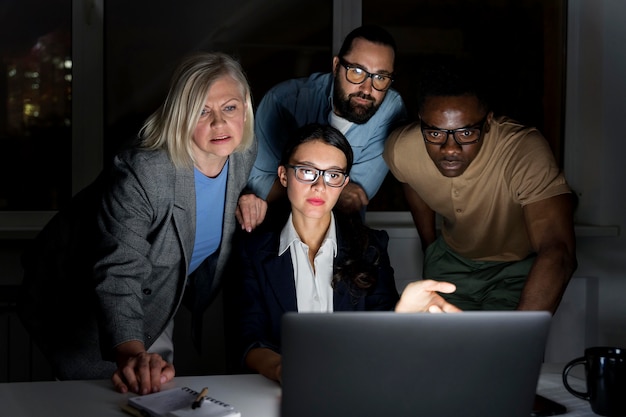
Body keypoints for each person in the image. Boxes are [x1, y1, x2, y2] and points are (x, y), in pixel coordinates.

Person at [18, 52, 263, 395]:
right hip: (85, 300)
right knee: (91, 399)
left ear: (246, 107)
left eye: (230, 108)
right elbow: (118, 272)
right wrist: (132, 353)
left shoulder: (242, 152)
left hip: (159, 295)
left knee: (153, 395)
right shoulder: (144, 172)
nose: (219, 123)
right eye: (202, 111)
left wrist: (252, 194)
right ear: (180, 115)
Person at [233, 123, 460, 383]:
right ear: (284, 175)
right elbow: (247, 337)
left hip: (356, 384)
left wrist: (405, 314)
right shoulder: (253, 251)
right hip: (276, 393)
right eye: (307, 171)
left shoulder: (371, 247)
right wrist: (282, 370)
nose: (320, 186)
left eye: (333, 175)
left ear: (344, 183)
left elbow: (381, 329)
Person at [383, 61, 578, 313]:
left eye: (465, 134)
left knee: (505, 351)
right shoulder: (401, 149)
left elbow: (558, 250)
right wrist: (429, 246)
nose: (450, 148)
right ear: (421, 122)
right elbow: (410, 180)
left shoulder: (523, 150)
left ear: (487, 122)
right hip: (450, 262)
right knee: (442, 349)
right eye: (435, 134)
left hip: (516, 268)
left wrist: (520, 334)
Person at [236, 25, 407, 231]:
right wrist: (334, 189)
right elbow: (258, 181)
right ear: (336, 67)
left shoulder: (390, 109)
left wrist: (297, 184)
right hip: (276, 231)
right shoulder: (282, 101)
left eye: (380, 77)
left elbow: (354, 198)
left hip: (342, 238)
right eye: (357, 72)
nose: (367, 89)